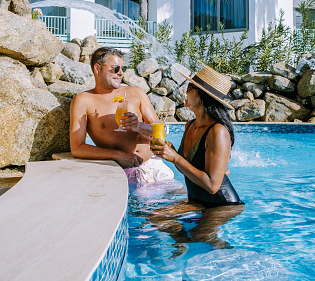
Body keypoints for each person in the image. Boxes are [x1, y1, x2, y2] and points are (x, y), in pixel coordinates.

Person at [69, 47, 173, 183]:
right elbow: (77, 148)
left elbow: (160, 133)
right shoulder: (83, 101)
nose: (120, 73)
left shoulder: (136, 93)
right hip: (122, 173)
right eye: (115, 68)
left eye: (123, 69)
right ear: (97, 68)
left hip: (153, 166)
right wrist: (117, 155)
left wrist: (138, 126)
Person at [150, 65, 243, 207]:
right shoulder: (190, 125)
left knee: (158, 221)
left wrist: (175, 157)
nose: (185, 91)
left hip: (222, 206)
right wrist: (171, 153)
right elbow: (186, 169)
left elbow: (212, 186)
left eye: (189, 88)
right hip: (197, 202)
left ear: (203, 96)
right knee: (152, 220)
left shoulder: (218, 131)